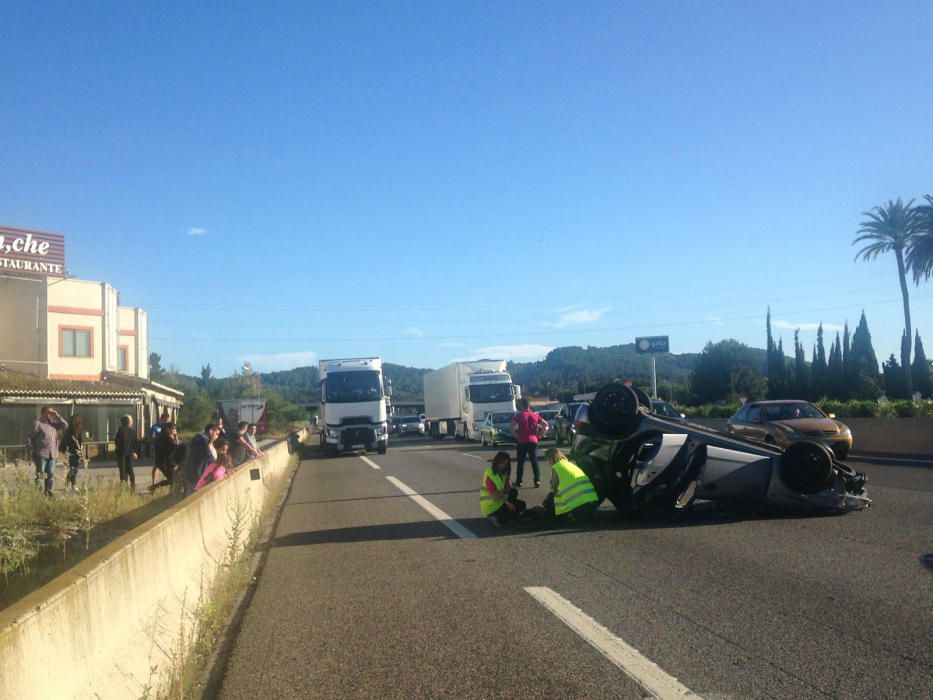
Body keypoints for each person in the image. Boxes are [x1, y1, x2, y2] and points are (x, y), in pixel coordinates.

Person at [540, 447, 600, 527]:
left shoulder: (556, 467)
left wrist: (551, 481)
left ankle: (561, 516)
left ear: (551, 458)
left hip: (580, 505)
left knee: (552, 497)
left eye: (547, 459)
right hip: (592, 501)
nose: (547, 462)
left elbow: (553, 487)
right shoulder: (569, 464)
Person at [26, 405, 68, 496]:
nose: (50, 415)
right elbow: (29, 437)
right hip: (41, 454)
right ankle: (38, 493)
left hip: (52, 454)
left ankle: (48, 493)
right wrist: (33, 450)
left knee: (50, 475)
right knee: (40, 475)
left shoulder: (53, 424)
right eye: (49, 413)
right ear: (43, 413)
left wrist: (56, 415)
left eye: (51, 414)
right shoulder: (37, 424)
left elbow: (65, 425)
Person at [480, 451, 526, 528]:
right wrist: (508, 503)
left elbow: (509, 489)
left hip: (500, 502)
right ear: (496, 462)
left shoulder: (504, 473)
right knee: (511, 509)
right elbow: (494, 494)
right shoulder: (490, 474)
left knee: (521, 503)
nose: (503, 466)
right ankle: (495, 517)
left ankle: (507, 516)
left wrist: (508, 479)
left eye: (505, 464)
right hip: (491, 506)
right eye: (501, 463)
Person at [510, 397, 548, 488]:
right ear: (529, 405)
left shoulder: (519, 415)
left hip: (522, 440)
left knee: (521, 462)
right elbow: (545, 424)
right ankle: (537, 481)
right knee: (534, 461)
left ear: (521, 405)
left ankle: (519, 481)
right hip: (533, 440)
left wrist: (516, 436)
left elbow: (511, 426)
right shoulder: (534, 415)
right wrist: (540, 434)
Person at [176, 423, 220, 498]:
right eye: (216, 434)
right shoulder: (202, 441)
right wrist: (220, 466)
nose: (217, 437)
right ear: (210, 431)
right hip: (194, 473)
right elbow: (209, 457)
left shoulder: (201, 439)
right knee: (192, 497)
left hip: (194, 472)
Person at [150, 422, 179, 492]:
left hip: (168, 463)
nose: (174, 430)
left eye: (175, 429)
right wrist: (175, 439)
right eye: (173, 429)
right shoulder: (164, 438)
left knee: (173, 479)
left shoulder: (168, 437)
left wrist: (175, 436)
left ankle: (154, 487)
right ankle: (154, 487)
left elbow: (176, 446)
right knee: (174, 479)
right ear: (167, 429)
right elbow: (174, 447)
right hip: (163, 463)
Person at [113, 415, 140, 490]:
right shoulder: (133, 431)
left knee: (123, 471)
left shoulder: (120, 430)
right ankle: (133, 486)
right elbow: (136, 443)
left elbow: (117, 442)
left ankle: (124, 487)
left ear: (122, 423)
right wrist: (135, 452)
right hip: (130, 454)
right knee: (130, 470)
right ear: (129, 423)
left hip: (121, 454)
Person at [61, 414, 85, 492]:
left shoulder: (69, 431)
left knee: (73, 469)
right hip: (74, 453)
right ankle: (71, 485)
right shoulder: (76, 431)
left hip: (71, 453)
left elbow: (64, 443)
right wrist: (81, 453)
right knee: (73, 469)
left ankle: (69, 485)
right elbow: (80, 443)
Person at [149, 411, 170, 484]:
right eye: (165, 420)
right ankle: (154, 482)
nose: (166, 421)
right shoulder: (155, 427)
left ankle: (168, 480)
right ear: (161, 418)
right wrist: (160, 437)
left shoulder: (168, 427)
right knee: (156, 466)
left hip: (167, 449)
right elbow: (151, 438)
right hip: (157, 449)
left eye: (167, 420)